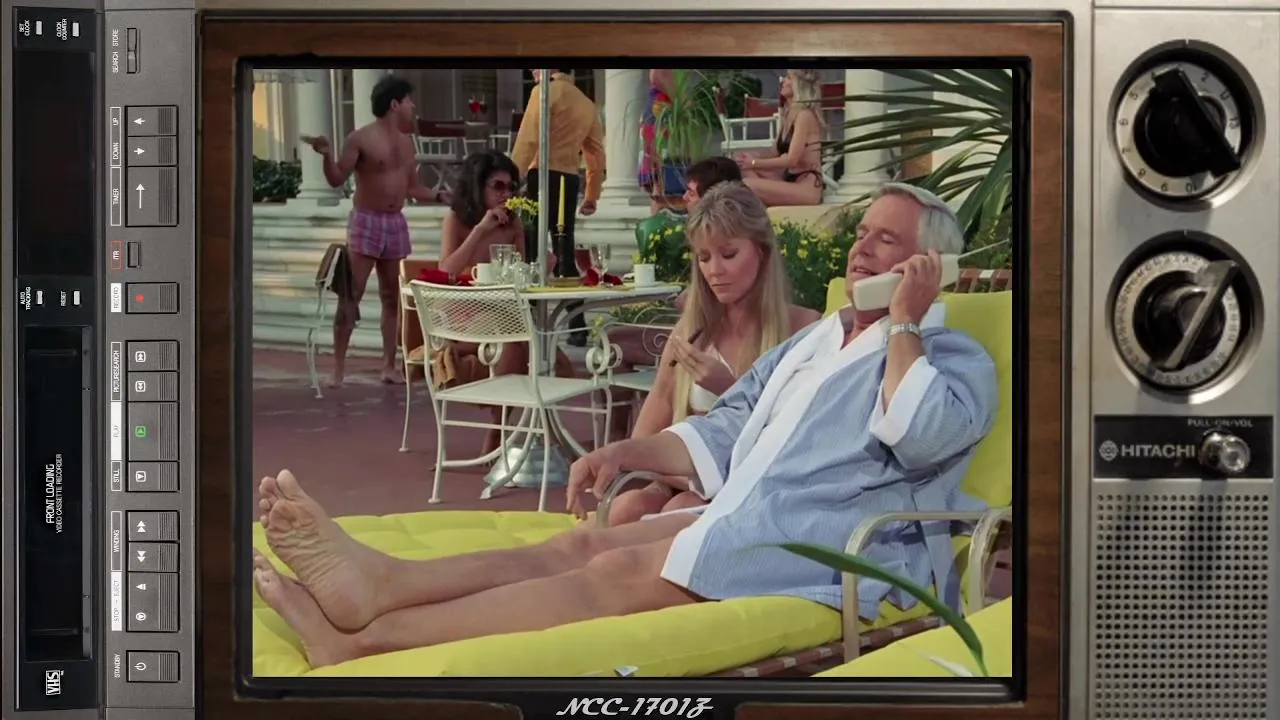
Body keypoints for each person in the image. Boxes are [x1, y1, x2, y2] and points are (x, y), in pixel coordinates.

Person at [252, 182, 997, 668]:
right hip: (744, 516)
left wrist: (906, 322)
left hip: (822, 545)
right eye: (862, 231)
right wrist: (622, 451)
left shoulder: (954, 358)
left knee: (611, 574)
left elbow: (922, 433)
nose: (861, 247)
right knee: (577, 544)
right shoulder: (816, 342)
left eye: (885, 240)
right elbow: (727, 428)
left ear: (929, 264)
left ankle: (364, 643)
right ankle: (381, 585)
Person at [606, 182, 821, 525]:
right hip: (682, 476)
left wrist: (731, 389)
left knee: (680, 509)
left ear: (762, 252)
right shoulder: (692, 331)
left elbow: (801, 442)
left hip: (755, 486)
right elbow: (646, 434)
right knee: (626, 508)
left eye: (728, 254)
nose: (714, 271)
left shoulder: (804, 330)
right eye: (704, 258)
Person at [303, 74, 450, 388]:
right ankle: (338, 369)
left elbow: (413, 187)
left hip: (395, 221)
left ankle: (388, 366)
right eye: (409, 101)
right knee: (351, 295)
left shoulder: (406, 142)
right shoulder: (360, 138)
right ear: (394, 104)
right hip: (366, 221)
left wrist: (440, 195)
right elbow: (336, 178)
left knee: (392, 298)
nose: (413, 107)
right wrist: (326, 155)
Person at [433, 149, 576, 454]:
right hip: (462, 314)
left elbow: (520, 275)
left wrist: (541, 269)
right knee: (517, 344)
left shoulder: (512, 224)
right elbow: (447, 270)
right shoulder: (456, 220)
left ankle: (542, 430)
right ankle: (499, 432)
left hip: (504, 312)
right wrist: (481, 229)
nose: (506, 194)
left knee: (552, 357)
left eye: (511, 187)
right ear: (478, 185)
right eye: (497, 186)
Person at [511, 69, 605, 345]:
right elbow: (595, 152)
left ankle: (529, 325)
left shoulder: (543, 92)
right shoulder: (586, 103)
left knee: (531, 250)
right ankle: (577, 326)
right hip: (568, 179)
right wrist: (592, 193)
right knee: (564, 249)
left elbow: (528, 139)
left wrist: (510, 179)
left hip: (540, 176)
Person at [734, 70, 826, 208]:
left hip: (806, 187)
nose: (783, 81)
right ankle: (764, 205)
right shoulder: (789, 113)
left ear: (798, 85)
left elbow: (791, 160)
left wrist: (753, 163)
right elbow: (774, 152)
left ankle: (762, 205)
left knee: (748, 185)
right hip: (789, 179)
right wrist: (748, 157)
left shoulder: (805, 115)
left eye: (789, 78)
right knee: (743, 168)